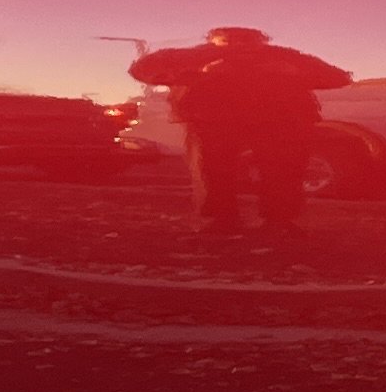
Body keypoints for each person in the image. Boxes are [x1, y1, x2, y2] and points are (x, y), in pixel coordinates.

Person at [128, 25, 351, 236]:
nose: (239, 44)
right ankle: (222, 221)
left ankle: (279, 222)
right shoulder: (191, 56)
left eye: (246, 39)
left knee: (282, 171)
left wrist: (289, 72)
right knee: (212, 170)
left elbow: (339, 76)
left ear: (261, 40)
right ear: (213, 39)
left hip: (278, 120)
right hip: (213, 118)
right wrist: (196, 73)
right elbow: (141, 69)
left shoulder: (284, 57)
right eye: (229, 38)